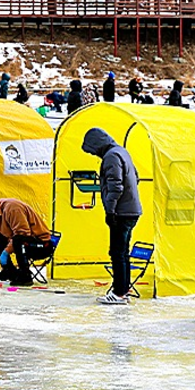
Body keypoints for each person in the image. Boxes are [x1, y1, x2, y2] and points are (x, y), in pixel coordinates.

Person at [81, 128, 143, 305]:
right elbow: (135, 177)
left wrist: (110, 210)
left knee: (117, 253)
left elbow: (115, 186)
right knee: (122, 252)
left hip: (121, 212)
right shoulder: (122, 151)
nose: (95, 155)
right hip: (131, 209)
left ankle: (119, 292)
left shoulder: (111, 156)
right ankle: (123, 290)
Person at [0, 198, 52, 287]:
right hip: (24, 241)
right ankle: (9, 270)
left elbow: (23, 233)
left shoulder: (13, 209)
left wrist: (6, 252)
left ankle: (25, 276)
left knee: (18, 240)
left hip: (42, 245)